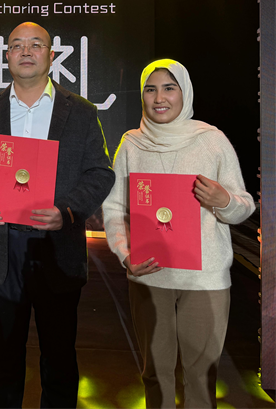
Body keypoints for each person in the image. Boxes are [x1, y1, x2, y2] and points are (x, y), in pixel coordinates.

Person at [0, 22, 115, 409]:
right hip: (3, 247)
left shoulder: (80, 111)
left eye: (35, 44)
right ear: (7, 56)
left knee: (59, 358)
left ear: (51, 55)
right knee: (4, 356)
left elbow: (100, 172)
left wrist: (67, 211)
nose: (26, 51)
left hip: (57, 247)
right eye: (17, 45)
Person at [103, 59, 255, 409]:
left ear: (184, 92)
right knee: (155, 374)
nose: (159, 98)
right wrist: (126, 254)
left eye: (169, 88)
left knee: (201, 377)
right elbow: (114, 208)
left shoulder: (211, 140)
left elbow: (244, 205)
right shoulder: (131, 143)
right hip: (149, 274)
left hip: (204, 278)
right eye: (150, 89)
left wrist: (224, 200)